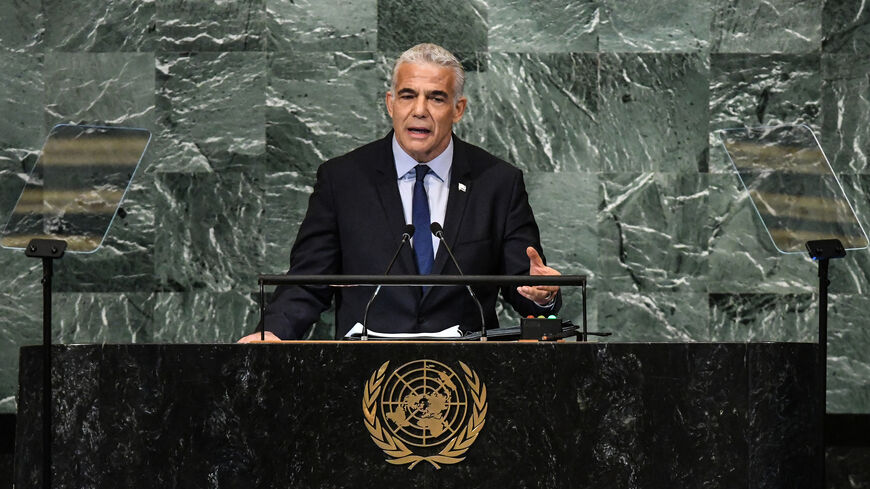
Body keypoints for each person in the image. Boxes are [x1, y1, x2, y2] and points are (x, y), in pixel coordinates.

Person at [239, 43, 561, 342]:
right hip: (363, 377)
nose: (420, 110)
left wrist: (543, 292)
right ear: (390, 104)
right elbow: (308, 281)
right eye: (408, 95)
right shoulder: (343, 180)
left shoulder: (498, 183)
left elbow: (527, 284)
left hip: (468, 379)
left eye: (436, 98)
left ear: (458, 109)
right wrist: (274, 332)